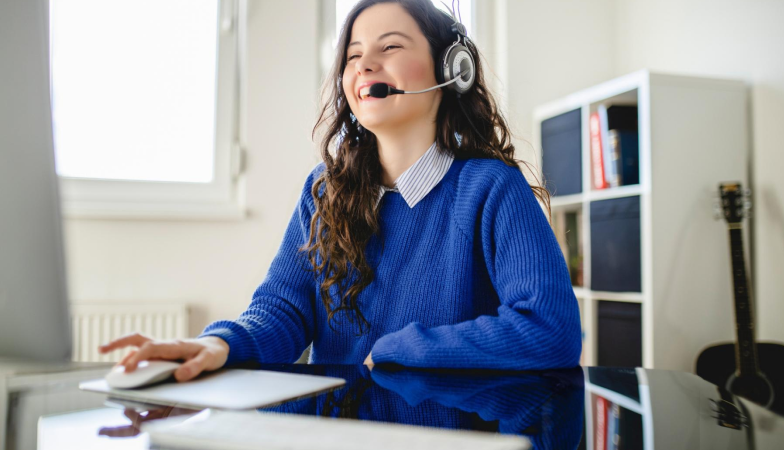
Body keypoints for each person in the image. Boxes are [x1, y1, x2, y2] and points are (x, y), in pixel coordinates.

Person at [99, 0, 581, 382]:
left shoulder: (491, 189)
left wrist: (398, 348)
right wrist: (219, 344)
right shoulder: (323, 190)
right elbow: (285, 310)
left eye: (389, 47)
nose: (365, 64)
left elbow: (549, 330)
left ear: (450, 70)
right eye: (353, 55)